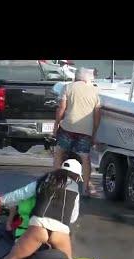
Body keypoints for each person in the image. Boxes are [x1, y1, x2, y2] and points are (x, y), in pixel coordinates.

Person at [0, 160, 82, 259]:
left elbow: (20, 194)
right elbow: (73, 218)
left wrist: (1, 200)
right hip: (61, 232)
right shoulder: (76, 189)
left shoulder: (45, 180)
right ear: (77, 176)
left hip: (39, 226)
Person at [53, 67, 101, 198]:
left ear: (76, 77)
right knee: (85, 158)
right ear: (87, 79)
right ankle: (85, 188)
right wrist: (94, 133)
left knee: (59, 153)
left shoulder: (68, 87)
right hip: (86, 131)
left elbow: (61, 108)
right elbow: (97, 115)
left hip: (68, 128)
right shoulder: (95, 91)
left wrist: (56, 125)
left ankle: (57, 183)